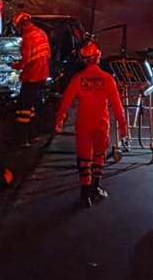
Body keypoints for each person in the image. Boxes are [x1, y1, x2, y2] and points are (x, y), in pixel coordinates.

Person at [53, 40, 128, 207]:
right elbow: (117, 105)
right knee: (99, 156)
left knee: (84, 159)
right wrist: (123, 126)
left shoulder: (78, 79)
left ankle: (84, 194)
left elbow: (65, 102)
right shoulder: (107, 79)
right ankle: (95, 189)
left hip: (84, 125)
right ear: (97, 57)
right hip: (101, 124)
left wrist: (59, 120)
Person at [11, 12, 51, 146]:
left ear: (21, 25)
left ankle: (22, 139)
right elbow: (48, 53)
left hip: (32, 75)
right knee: (32, 106)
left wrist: (15, 65)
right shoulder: (41, 32)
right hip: (43, 74)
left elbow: (26, 61)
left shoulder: (27, 37)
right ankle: (33, 135)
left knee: (23, 107)